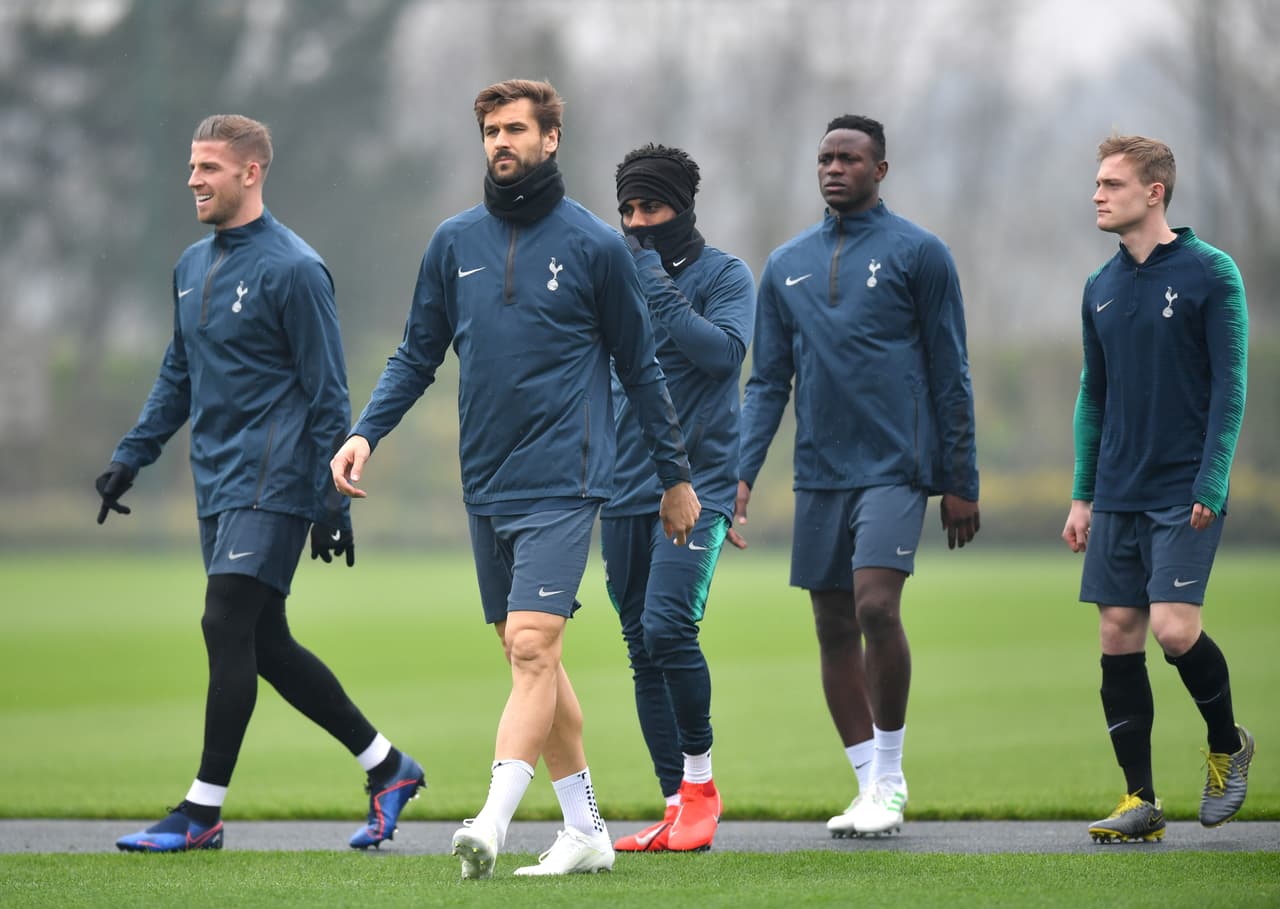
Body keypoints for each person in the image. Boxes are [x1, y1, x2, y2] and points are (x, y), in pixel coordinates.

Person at [330, 80, 700, 879]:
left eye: (516, 129)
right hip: (485, 481)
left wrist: (675, 478)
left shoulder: (599, 245)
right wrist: (365, 432)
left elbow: (641, 370)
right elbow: (414, 355)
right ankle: (586, 828)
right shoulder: (452, 242)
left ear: (551, 137)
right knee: (528, 654)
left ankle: (492, 821)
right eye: (491, 131)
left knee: (534, 642)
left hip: (566, 479)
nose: (501, 142)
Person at [97, 114, 424, 854]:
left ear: (251, 173)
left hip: (274, 480)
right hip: (216, 485)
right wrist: (132, 454)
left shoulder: (296, 269)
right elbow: (178, 375)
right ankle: (389, 765)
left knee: (223, 621)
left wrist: (330, 500)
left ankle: (201, 809)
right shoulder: (190, 266)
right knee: (264, 643)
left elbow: (328, 394)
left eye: (208, 167)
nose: (192, 180)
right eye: (190, 167)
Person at [735, 115, 980, 838]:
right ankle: (869, 784)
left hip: (896, 468)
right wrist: (741, 472)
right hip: (819, 472)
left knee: (876, 607)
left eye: (850, 158)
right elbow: (767, 381)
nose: (834, 168)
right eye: (825, 159)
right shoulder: (784, 264)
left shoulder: (920, 253)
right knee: (832, 624)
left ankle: (891, 775)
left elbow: (951, 369)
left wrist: (959, 477)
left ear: (881, 169)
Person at [1063, 134, 1253, 844]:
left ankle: (1227, 745)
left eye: (1112, 183)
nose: (1098, 194)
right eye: (1098, 182)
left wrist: (1213, 475)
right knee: (1118, 633)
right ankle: (1139, 800)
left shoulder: (1212, 273)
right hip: (1116, 492)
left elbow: (1230, 387)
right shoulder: (1098, 288)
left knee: (1174, 628)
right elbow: (1094, 396)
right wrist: (1083, 495)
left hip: (1184, 488)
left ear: (1155, 192)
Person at [602, 145, 755, 853]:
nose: (638, 223)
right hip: (620, 484)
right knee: (640, 647)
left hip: (701, 486)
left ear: (683, 208)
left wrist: (654, 283)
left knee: (668, 628)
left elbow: (721, 355)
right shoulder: (614, 275)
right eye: (628, 209)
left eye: (651, 208)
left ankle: (701, 786)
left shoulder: (725, 276)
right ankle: (673, 804)